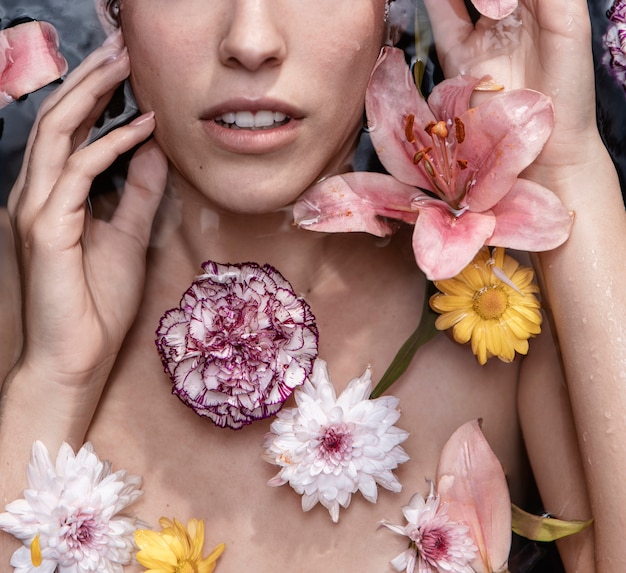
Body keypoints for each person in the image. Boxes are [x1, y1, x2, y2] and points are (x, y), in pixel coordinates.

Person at [0, 0, 624, 571]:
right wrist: (55, 381)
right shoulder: (24, 277)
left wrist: (566, 161)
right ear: (116, 11)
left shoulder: (504, 299)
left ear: (391, 10)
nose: (251, 40)